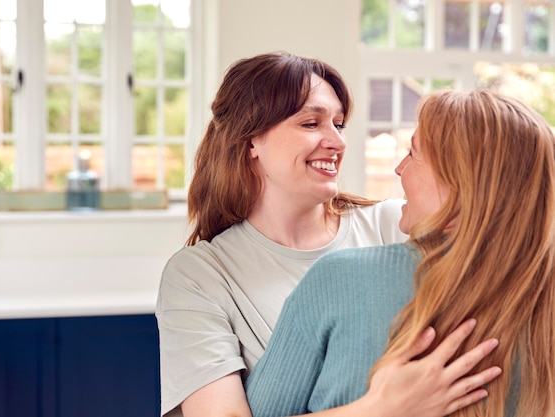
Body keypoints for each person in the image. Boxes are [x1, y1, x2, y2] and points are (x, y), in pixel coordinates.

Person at [156, 52, 500, 417]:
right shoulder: (200, 275)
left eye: (339, 124)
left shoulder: (393, 227)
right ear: (251, 139)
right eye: (310, 124)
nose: (336, 141)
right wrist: (382, 408)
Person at [245, 88, 555, 417]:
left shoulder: (342, 281)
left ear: (462, 181)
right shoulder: (543, 297)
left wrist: (377, 409)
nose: (399, 168)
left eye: (413, 153)